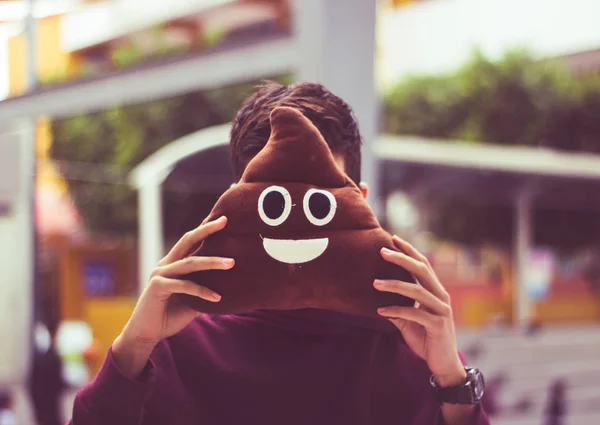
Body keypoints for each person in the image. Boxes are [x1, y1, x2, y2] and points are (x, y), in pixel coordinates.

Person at [68, 82, 489, 425]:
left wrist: (452, 381)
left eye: (320, 199)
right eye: (274, 202)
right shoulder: (178, 339)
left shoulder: (410, 340)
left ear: (358, 201)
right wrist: (135, 346)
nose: (296, 225)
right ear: (239, 203)